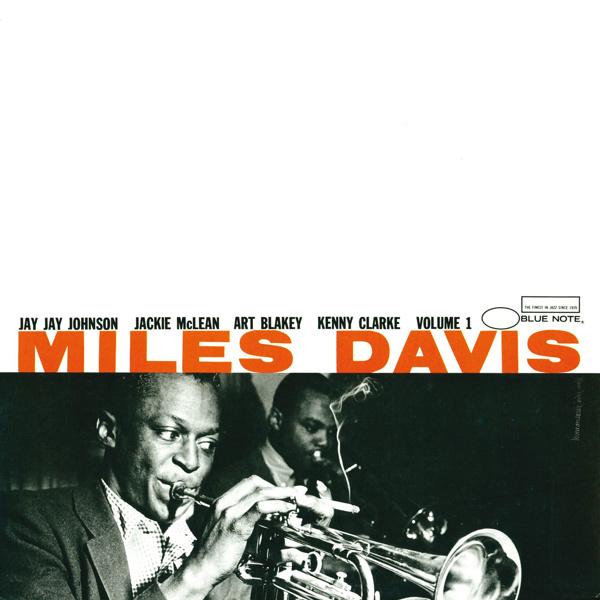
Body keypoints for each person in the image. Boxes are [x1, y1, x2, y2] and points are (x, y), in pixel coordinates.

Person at [0, 373, 332, 600]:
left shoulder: (215, 544)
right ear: (109, 431)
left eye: (207, 444)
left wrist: (289, 575)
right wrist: (196, 574)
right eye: (170, 434)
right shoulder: (28, 524)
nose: (192, 461)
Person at [204, 373, 340, 499]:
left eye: (331, 431)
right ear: (276, 419)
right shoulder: (227, 485)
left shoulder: (327, 481)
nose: (325, 442)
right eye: (311, 427)